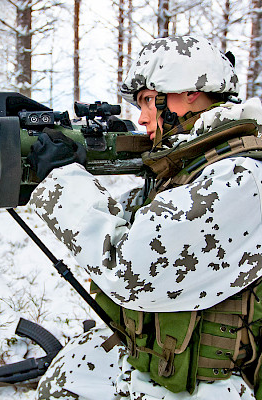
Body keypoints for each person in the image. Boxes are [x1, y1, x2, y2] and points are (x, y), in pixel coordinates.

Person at [27, 35, 262, 400]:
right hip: (165, 366)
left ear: (191, 92)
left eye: (149, 101)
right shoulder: (191, 166)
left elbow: (130, 269)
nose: (141, 118)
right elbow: (127, 220)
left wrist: (64, 183)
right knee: (65, 379)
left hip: (219, 385)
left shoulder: (242, 176)